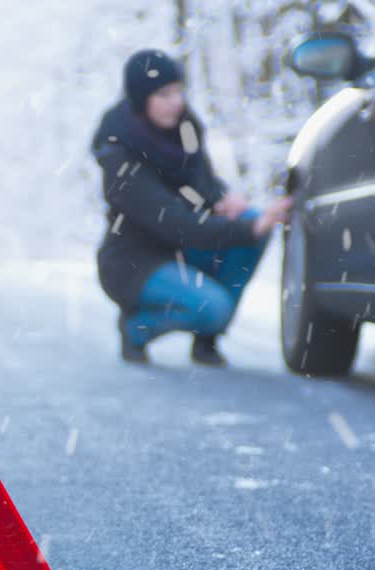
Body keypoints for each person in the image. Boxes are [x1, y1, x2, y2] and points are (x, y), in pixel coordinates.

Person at [91, 49, 292, 366]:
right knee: (215, 303)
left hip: (179, 249)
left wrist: (222, 200)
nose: (176, 101)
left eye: (178, 91)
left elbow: (201, 182)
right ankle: (136, 328)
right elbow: (175, 221)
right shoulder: (119, 155)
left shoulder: (184, 130)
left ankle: (207, 338)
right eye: (164, 93)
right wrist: (250, 227)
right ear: (141, 98)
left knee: (249, 221)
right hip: (134, 263)